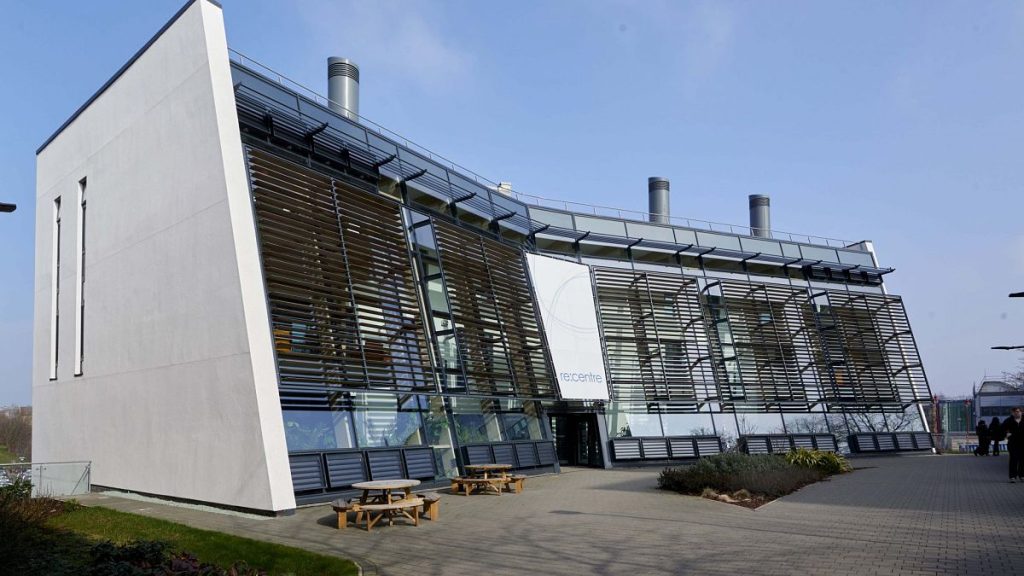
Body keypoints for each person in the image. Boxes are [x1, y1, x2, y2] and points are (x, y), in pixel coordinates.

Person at [1005, 407, 1023, 483]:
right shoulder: (1009, 421)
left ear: (1021, 412)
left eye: (1018, 411)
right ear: (1012, 413)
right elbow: (1002, 428)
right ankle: (1012, 477)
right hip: (1013, 443)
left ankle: (1022, 475)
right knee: (1013, 459)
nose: (1017, 413)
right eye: (1015, 412)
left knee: (1022, 460)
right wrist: (1006, 435)